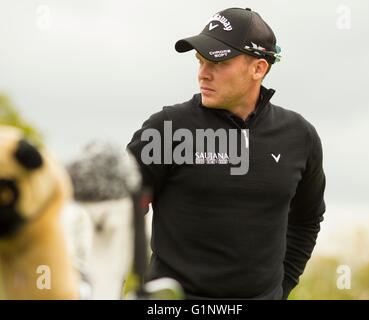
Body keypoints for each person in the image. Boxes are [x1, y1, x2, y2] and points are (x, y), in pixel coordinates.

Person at [127, 7, 326, 300]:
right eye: (200, 61)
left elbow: (306, 220)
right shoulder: (166, 129)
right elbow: (117, 210)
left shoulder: (300, 136)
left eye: (217, 63)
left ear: (258, 68)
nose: (202, 74)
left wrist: (281, 288)